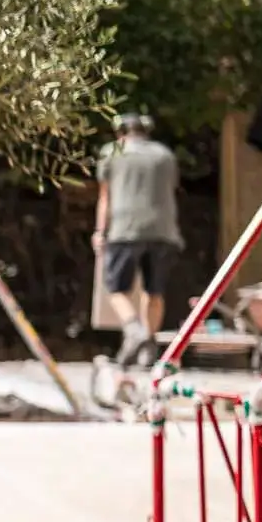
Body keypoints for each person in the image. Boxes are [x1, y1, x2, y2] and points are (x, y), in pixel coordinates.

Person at [94, 112, 184, 368]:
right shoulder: (165, 155)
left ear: (120, 130)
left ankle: (134, 330)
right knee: (154, 291)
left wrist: (101, 232)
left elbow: (105, 198)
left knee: (115, 290)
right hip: (164, 231)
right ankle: (148, 347)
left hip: (125, 229)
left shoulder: (112, 152)